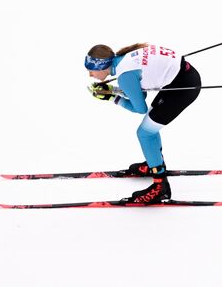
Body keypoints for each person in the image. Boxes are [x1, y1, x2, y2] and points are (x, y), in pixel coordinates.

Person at [85, 42, 202, 204]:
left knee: (145, 133)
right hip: (181, 79)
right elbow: (141, 91)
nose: (90, 75)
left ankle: (160, 188)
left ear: (102, 67)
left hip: (183, 88)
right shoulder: (122, 60)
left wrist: (112, 97)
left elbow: (139, 108)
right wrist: (112, 90)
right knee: (150, 129)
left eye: (91, 70)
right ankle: (155, 163)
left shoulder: (125, 75)